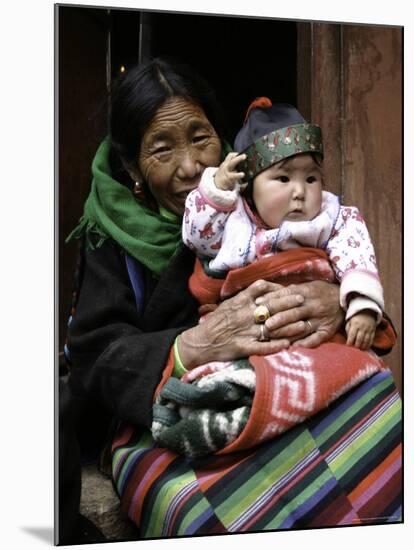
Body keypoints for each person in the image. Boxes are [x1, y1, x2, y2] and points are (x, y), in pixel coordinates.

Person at [59, 58, 399, 543]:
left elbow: (342, 256)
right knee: (201, 511)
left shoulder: (264, 202)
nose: (191, 166)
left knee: (379, 430)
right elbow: (96, 358)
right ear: (133, 164)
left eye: (200, 138)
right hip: (166, 412)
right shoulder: (109, 236)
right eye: (161, 149)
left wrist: (338, 300)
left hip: (284, 375)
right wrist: (194, 345)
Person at [182, 98, 383, 351]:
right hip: (242, 335)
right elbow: (197, 238)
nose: (300, 191)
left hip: (318, 335)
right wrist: (217, 189)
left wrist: (361, 304)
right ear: (249, 187)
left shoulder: (332, 218)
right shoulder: (235, 220)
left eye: (311, 178)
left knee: (354, 369)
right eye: (284, 178)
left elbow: (357, 256)